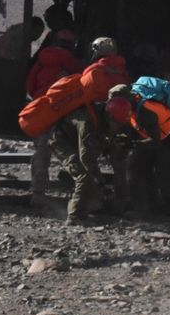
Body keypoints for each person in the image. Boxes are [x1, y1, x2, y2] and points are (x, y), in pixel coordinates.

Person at [48, 37, 129, 222]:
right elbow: (87, 158)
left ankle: (93, 201)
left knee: (86, 172)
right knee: (84, 176)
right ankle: (75, 216)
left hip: (81, 135)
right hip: (63, 140)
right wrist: (100, 182)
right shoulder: (89, 119)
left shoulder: (94, 74)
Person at [106, 81, 170, 217]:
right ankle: (143, 209)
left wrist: (132, 144)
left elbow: (155, 140)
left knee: (164, 178)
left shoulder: (145, 111)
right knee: (134, 169)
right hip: (153, 140)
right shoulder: (131, 108)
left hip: (168, 141)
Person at [25, 29, 86, 202]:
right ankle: (80, 193)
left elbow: (30, 84)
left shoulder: (42, 60)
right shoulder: (74, 64)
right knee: (71, 151)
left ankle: (37, 192)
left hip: (42, 110)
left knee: (41, 152)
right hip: (64, 112)